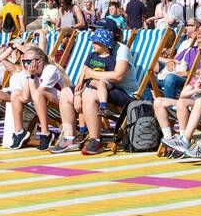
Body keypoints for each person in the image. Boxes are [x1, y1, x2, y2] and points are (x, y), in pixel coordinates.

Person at [51, 22, 140, 155]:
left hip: (123, 92)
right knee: (65, 93)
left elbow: (118, 76)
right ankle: (70, 138)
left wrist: (91, 75)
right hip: (98, 86)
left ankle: (95, 140)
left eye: (98, 30)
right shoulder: (97, 49)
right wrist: (77, 93)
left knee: (90, 95)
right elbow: (85, 70)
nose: (94, 34)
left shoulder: (121, 50)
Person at [156, 44, 201, 153]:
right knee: (158, 101)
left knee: (182, 103)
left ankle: (184, 139)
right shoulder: (199, 76)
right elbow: (183, 94)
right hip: (192, 103)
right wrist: (194, 90)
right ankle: (169, 138)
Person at [5, 45, 68, 150]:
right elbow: (25, 97)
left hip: (62, 104)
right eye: (24, 61)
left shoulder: (50, 70)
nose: (25, 65)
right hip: (42, 102)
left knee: (38, 94)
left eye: (28, 62)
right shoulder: (32, 72)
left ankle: (45, 133)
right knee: (15, 94)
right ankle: (19, 132)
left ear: (39, 61)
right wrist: (30, 76)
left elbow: (37, 94)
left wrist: (31, 76)